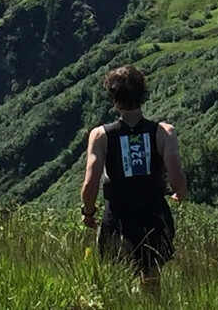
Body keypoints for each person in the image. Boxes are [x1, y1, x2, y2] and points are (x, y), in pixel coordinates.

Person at [81, 64, 188, 296]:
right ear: (143, 94)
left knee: (116, 281)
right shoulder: (164, 132)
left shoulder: (100, 136)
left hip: (117, 217)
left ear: (113, 97)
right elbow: (177, 177)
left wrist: (89, 213)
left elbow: (90, 183)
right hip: (153, 216)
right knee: (151, 278)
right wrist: (180, 192)